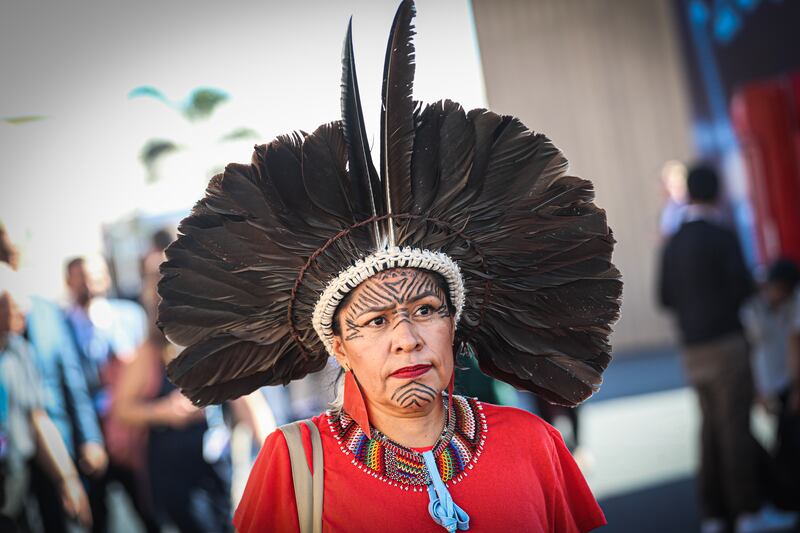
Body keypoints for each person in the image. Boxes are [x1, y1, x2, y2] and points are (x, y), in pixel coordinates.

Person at [156, 2, 622, 531]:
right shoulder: (293, 464)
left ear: (454, 323)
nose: (407, 338)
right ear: (338, 347)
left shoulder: (534, 442)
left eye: (425, 310)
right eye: (376, 321)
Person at [659, 164, 795, 533]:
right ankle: (748, 512)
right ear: (717, 193)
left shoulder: (673, 242)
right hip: (727, 345)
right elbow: (742, 290)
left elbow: (665, 297)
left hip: (691, 349)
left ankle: (714, 514)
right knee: (734, 429)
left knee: (708, 430)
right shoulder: (722, 236)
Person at [0, 228, 108, 532]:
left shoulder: (47, 314)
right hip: (13, 462)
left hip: (54, 442)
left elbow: (71, 382)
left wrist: (90, 440)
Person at [62, 255, 159, 533]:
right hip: (90, 439)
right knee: (99, 519)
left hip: (132, 436)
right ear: (70, 282)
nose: (89, 283)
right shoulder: (61, 326)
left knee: (148, 511)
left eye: (94, 275)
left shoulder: (130, 316)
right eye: (81, 277)